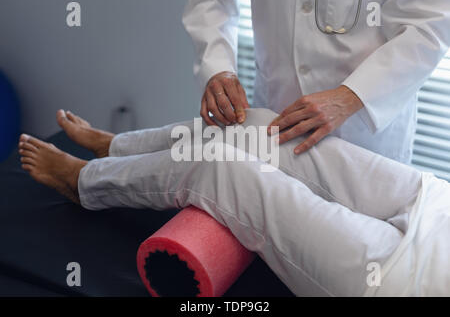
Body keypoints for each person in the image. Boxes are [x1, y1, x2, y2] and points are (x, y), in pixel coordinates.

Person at [18, 108, 449, 296]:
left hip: (409, 281)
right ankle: (117, 147)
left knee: (220, 168)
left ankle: (84, 183)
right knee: (264, 126)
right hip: (436, 204)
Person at [183, 0, 450, 162]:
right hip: (275, 109)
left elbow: (428, 26)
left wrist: (353, 95)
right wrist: (217, 67)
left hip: (363, 128)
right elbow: (212, 0)